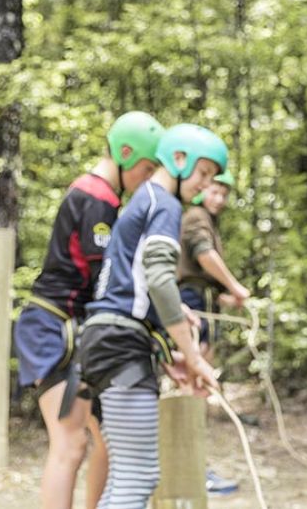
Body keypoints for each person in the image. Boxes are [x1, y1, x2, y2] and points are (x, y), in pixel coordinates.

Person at [12, 111, 165, 509]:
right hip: (52, 327)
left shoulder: (105, 200)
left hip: (77, 331)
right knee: (70, 443)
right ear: (125, 153)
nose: (147, 179)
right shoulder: (95, 197)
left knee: (105, 441)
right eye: (146, 168)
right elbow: (104, 278)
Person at [77, 123, 226, 508]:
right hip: (120, 347)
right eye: (204, 172)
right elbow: (159, 280)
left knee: (126, 474)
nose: (206, 184)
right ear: (179, 160)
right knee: (139, 475)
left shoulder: (143, 200)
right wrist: (192, 356)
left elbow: (139, 287)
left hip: (106, 342)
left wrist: (170, 336)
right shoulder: (164, 203)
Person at [176, 171, 253, 495]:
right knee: (193, 386)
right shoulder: (195, 216)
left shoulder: (204, 217)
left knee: (196, 386)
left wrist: (223, 296)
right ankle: (191, 468)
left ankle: (190, 465)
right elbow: (202, 254)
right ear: (201, 190)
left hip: (202, 302)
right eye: (214, 191)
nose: (219, 199)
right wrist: (234, 285)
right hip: (192, 306)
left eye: (224, 193)